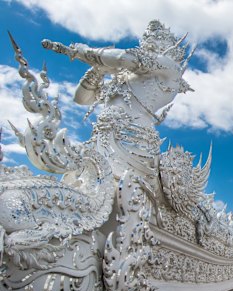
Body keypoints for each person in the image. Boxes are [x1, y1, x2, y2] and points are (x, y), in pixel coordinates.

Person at [43, 20, 194, 178]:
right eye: (147, 39)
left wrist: (85, 52)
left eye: (158, 39)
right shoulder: (124, 78)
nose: (150, 44)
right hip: (99, 144)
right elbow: (82, 98)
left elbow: (124, 58)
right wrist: (98, 70)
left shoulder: (170, 70)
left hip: (134, 145)